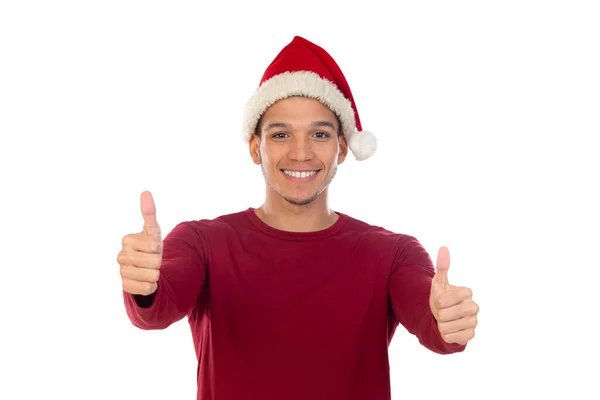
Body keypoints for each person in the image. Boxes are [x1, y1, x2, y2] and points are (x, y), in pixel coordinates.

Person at [118, 36, 479, 400]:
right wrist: (143, 284)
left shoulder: (393, 253)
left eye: (319, 134)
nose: (301, 152)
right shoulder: (202, 242)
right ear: (255, 147)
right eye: (281, 134)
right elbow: (155, 310)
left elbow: (432, 321)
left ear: (341, 147)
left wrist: (448, 320)